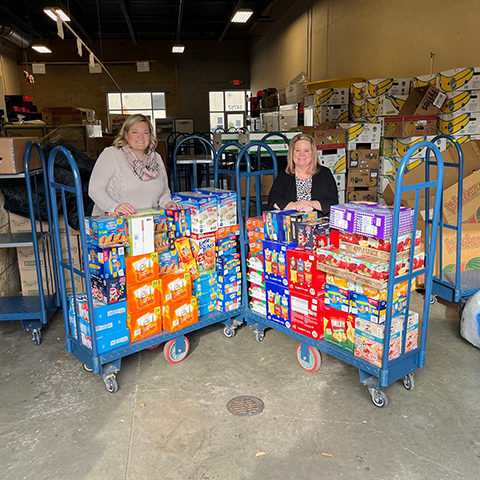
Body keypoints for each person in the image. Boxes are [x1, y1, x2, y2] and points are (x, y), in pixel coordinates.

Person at [89, 114, 182, 216]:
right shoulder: (111, 154)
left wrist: (166, 202)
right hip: (114, 224)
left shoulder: (156, 158)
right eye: (135, 132)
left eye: (145, 133)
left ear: (150, 136)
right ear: (125, 134)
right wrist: (114, 206)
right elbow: (95, 189)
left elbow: (164, 188)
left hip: (149, 221)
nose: (141, 137)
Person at [268, 133, 339, 215]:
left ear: (313, 153)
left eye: (306, 150)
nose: (301, 154)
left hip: (320, 224)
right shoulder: (284, 176)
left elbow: (333, 203)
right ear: (292, 153)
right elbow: (273, 200)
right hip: (291, 224)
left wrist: (311, 204)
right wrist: (296, 206)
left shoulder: (325, 173)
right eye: (297, 150)